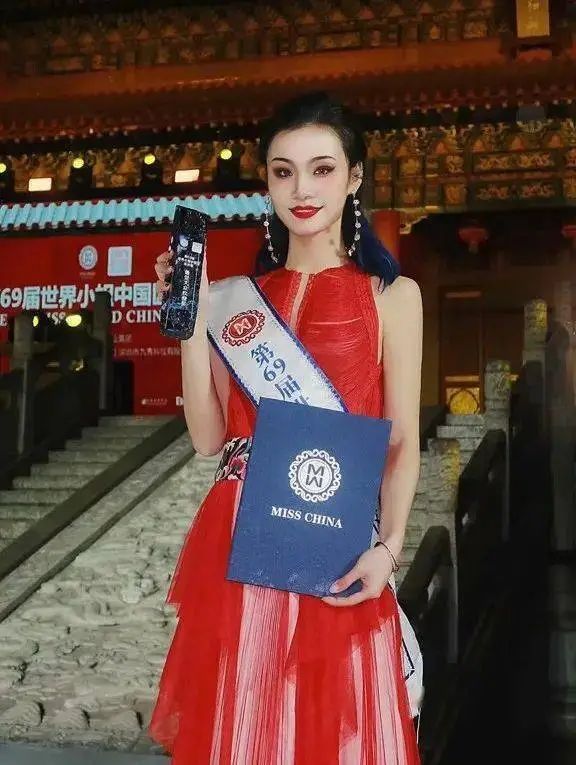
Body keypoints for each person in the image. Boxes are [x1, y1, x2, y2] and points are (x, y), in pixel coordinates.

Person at [150, 91, 423, 764]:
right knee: (245, 727)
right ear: (267, 181)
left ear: (354, 177)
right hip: (239, 530)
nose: (302, 189)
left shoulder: (393, 298)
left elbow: (401, 441)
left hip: (333, 533)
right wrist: (190, 323)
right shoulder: (231, 299)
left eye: (322, 169)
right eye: (283, 171)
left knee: (330, 728)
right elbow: (208, 438)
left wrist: (388, 550)